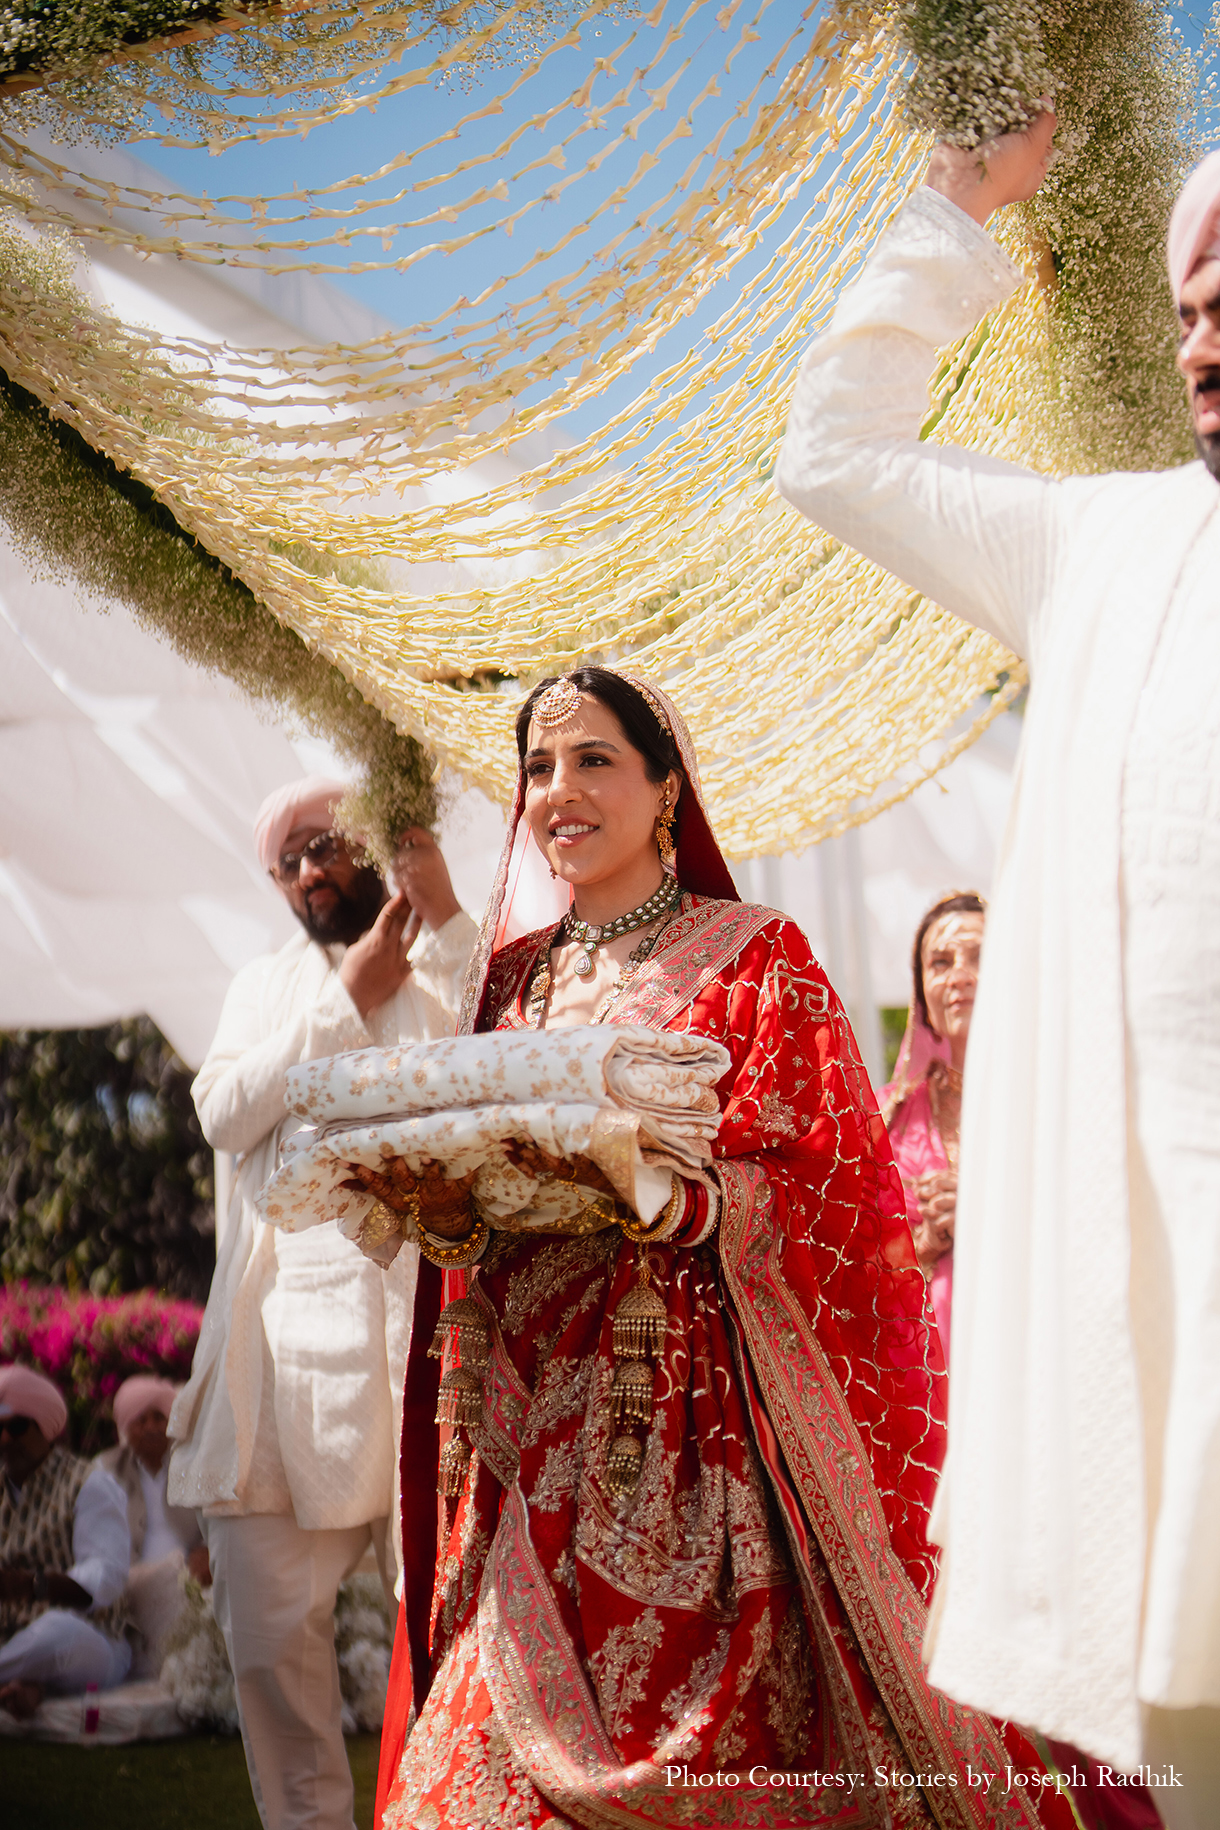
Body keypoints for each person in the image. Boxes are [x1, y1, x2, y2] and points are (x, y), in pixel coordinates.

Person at [365, 668, 1073, 1830]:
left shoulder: (753, 958)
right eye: (538, 768)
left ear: (665, 789)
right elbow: (483, 1173)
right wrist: (439, 1203)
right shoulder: (509, 980)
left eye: (593, 760)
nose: (557, 791)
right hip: (521, 1430)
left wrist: (689, 1203)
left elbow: (831, 1183)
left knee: (703, 1744)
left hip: (686, 1427)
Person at [775, 115, 1220, 1821]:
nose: (1201, 342)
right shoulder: (1099, 543)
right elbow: (835, 452)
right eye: (1189, 310)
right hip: (1150, 1264)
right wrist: (960, 209)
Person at [167, 775, 477, 1830]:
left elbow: (501, 1053)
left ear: (374, 848)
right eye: (290, 859)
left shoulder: (446, 959)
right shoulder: (264, 987)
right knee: (266, 1642)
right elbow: (224, 1111)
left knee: (454, 1636)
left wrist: (441, 915)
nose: (311, 869)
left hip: (425, 1348)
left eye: (328, 844)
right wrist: (345, 997)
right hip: (277, 1362)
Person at [881, 893, 986, 1363]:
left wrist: (986, 1213)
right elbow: (847, 1263)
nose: (960, 975)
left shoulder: (1054, 1103)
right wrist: (926, 1243)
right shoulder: (884, 1116)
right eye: (940, 962)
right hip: (922, 1364)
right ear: (921, 993)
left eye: (981, 957)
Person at [0, 1365, 131, 1720]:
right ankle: (25, 1685)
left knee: (58, 1635)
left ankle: (23, 1676)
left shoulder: (89, 1483)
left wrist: (31, 1585)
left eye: (16, 1426)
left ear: (46, 1427)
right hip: (10, 1637)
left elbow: (106, 1576)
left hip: (92, 1641)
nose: (5, 1439)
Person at [97, 1375, 209, 1677]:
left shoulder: (193, 1465)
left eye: (159, 1418)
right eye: (141, 1420)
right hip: (131, 1579)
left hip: (189, 1575)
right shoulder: (105, 1469)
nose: (151, 1427)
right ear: (126, 1426)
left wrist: (206, 1551)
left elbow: (214, 1522)